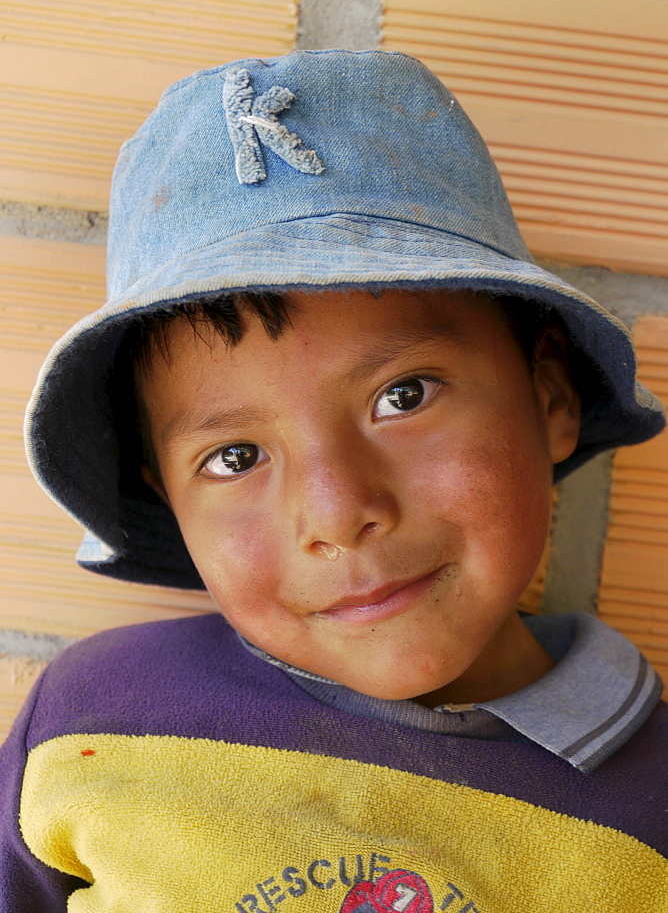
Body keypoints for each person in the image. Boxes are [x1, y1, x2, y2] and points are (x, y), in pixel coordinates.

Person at [1, 50, 666, 912]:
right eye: (234, 457)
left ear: (550, 396)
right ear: (165, 492)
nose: (338, 512)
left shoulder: (651, 806)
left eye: (403, 395)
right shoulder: (96, 716)